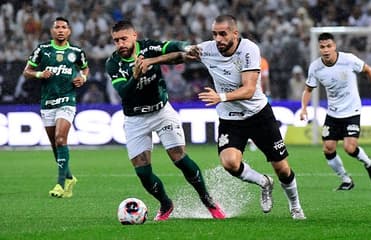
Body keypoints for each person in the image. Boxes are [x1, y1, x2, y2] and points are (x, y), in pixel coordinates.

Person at [184, 15, 305, 220]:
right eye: (214, 34)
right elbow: (179, 55)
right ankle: (263, 182)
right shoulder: (208, 49)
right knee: (230, 162)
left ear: (234, 33)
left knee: (282, 168)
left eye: (223, 33)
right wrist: (153, 59)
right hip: (231, 119)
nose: (218, 38)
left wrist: (220, 96)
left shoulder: (249, 49)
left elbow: (248, 90)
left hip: (258, 114)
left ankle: (295, 206)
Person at [105, 20, 225, 221]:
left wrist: (186, 47)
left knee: (179, 157)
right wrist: (134, 76)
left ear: (134, 36)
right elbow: (124, 92)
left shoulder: (149, 47)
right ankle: (166, 204)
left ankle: (208, 201)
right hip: (135, 119)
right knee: (143, 173)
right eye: (116, 40)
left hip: (161, 112)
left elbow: (172, 46)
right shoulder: (113, 63)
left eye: (124, 39)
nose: (120, 44)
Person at [300, 32, 371, 190]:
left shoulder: (348, 60)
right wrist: (304, 108)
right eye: (322, 47)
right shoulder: (315, 67)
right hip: (333, 113)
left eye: (329, 46)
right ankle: (346, 180)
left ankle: (368, 163)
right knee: (328, 148)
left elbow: (369, 71)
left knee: (350, 148)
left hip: (352, 111)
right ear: (319, 48)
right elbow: (308, 89)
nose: (326, 50)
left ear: (335, 46)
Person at [23, 17, 89, 197]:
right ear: (52, 31)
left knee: (61, 139)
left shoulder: (76, 51)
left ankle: (60, 184)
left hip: (67, 101)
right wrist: (39, 73)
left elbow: (85, 69)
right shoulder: (43, 50)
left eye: (64, 27)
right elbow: (26, 71)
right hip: (47, 103)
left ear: (69, 31)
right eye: (57, 27)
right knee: (55, 145)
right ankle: (69, 178)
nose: (60, 30)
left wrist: (82, 78)